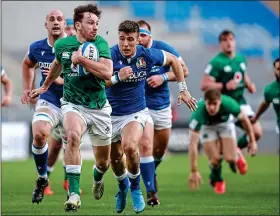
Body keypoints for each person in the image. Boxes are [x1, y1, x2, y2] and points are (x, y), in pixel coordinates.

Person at [106, 20, 197, 214]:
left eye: (131, 39)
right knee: (112, 161)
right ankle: (123, 189)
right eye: (122, 39)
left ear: (139, 39)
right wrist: (116, 77)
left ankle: (140, 189)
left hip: (139, 111)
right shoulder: (108, 54)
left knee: (134, 147)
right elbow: (97, 81)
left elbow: (174, 61)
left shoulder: (148, 54)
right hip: (111, 114)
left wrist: (183, 90)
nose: (126, 44)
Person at [30, 4, 113, 212]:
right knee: (72, 135)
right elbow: (57, 64)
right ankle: (74, 194)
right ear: (78, 25)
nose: (95, 27)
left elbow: (107, 74)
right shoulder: (63, 45)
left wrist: (82, 59)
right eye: (90, 23)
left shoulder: (101, 43)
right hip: (73, 103)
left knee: (104, 162)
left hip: (99, 107)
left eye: (96, 24)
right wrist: (45, 86)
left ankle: (97, 176)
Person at [136, 20, 189, 206]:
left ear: (150, 35)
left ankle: (150, 171)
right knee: (146, 144)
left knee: (160, 150)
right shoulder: (130, 53)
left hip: (162, 106)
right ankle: (151, 191)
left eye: (143, 34)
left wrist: (163, 77)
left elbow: (184, 70)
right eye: (137, 35)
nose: (139, 38)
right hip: (141, 108)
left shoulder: (163, 49)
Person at [200, 30, 262, 177]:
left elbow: (243, 75)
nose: (228, 42)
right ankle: (217, 175)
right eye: (225, 40)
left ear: (235, 41)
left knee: (257, 131)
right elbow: (204, 85)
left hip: (240, 102)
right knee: (219, 150)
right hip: (222, 105)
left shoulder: (241, 58)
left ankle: (237, 149)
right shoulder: (216, 62)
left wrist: (249, 84)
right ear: (220, 43)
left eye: (231, 39)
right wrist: (224, 86)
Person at [21, 9, 66, 204]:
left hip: (75, 102)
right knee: (39, 133)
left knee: (72, 144)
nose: (55, 22)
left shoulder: (76, 47)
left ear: (65, 24)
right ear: (46, 24)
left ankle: (72, 188)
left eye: (59, 19)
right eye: (52, 19)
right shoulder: (37, 47)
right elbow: (27, 64)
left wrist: (62, 81)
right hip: (49, 99)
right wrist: (27, 89)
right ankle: (42, 178)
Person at [188, 89, 257, 194]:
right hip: (207, 127)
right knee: (215, 159)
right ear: (205, 102)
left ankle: (236, 155)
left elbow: (245, 120)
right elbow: (193, 143)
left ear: (220, 101)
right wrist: (194, 170)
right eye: (209, 104)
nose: (211, 107)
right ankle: (219, 180)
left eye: (215, 104)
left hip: (225, 124)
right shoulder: (198, 111)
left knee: (230, 158)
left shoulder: (229, 103)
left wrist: (252, 141)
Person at [251, 58, 280, 134]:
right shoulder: (270, 90)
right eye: (278, 69)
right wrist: (256, 117)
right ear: (275, 71)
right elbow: (265, 103)